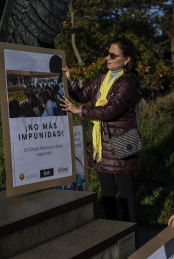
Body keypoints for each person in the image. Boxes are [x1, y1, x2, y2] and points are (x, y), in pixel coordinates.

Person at [61, 37, 141, 222]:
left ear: (127, 59)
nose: (108, 57)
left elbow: (110, 110)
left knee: (126, 192)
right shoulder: (101, 78)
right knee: (107, 193)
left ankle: (130, 231)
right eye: (108, 53)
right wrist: (70, 80)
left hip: (121, 143)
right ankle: (112, 232)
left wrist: (77, 110)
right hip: (101, 145)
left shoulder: (128, 82)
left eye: (113, 55)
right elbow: (81, 96)